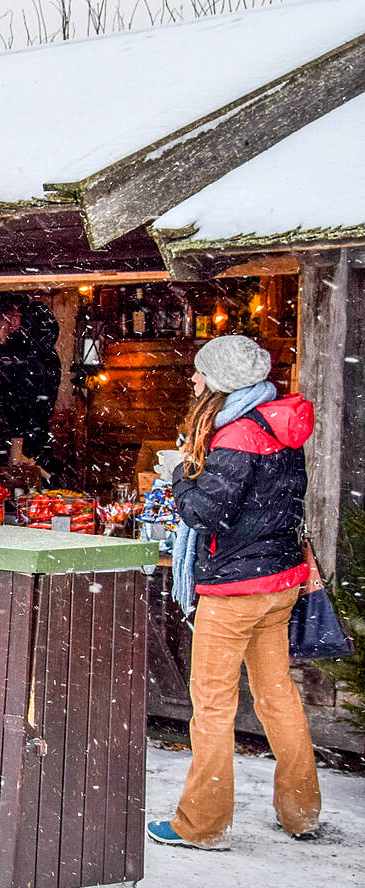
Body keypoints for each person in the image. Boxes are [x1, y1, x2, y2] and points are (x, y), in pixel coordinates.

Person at [148, 334, 321, 850]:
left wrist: (177, 476)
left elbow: (206, 513)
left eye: (200, 373)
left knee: (214, 706)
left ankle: (201, 825)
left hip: (235, 588)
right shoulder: (278, 423)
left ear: (221, 381)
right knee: (277, 698)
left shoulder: (238, 435)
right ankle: (300, 811)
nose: (194, 380)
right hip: (278, 581)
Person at [0, 293, 63, 472]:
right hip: (26, 436)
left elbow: (22, 406)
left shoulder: (27, 360)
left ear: (15, 321)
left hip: (25, 439)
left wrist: (17, 443)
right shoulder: (30, 355)